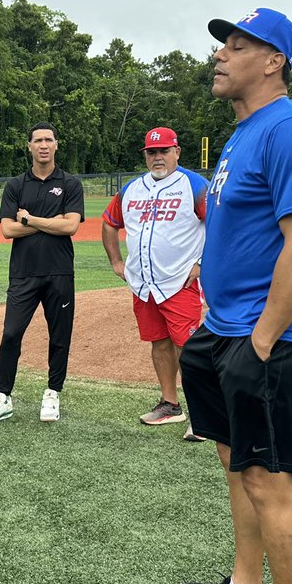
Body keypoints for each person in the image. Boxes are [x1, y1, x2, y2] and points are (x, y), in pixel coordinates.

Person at [176, 8, 292, 584]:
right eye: (223, 45)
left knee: (270, 479)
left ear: (273, 61)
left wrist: (263, 337)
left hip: (273, 334)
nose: (222, 55)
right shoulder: (244, 134)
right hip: (227, 325)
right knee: (236, 462)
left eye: (238, 46)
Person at [101, 127, 206, 437]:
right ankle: (170, 404)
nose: (157, 157)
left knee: (189, 347)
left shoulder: (193, 185)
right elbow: (109, 224)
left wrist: (203, 263)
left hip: (179, 281)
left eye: (164, 151)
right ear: (145, 155)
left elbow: (222, 221)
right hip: (143, 284)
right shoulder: (132, 189)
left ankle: (203, 414)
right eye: (151, 152)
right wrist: (116, 262)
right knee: (158, 342)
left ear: (177, 152)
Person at [0, 123, 84, 425]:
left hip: (59, 272)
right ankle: (2, 397)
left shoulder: (70, 183)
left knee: (59, 336)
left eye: (49, 139)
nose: (43, 145)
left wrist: (29, 218)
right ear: (29, 146)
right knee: (11, 333)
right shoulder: (16, 185)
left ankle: (52, 393)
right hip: (23, 273)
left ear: (56, 145)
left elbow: (71, 226)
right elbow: (7, 229)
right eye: (38, 140)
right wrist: (51, 220)